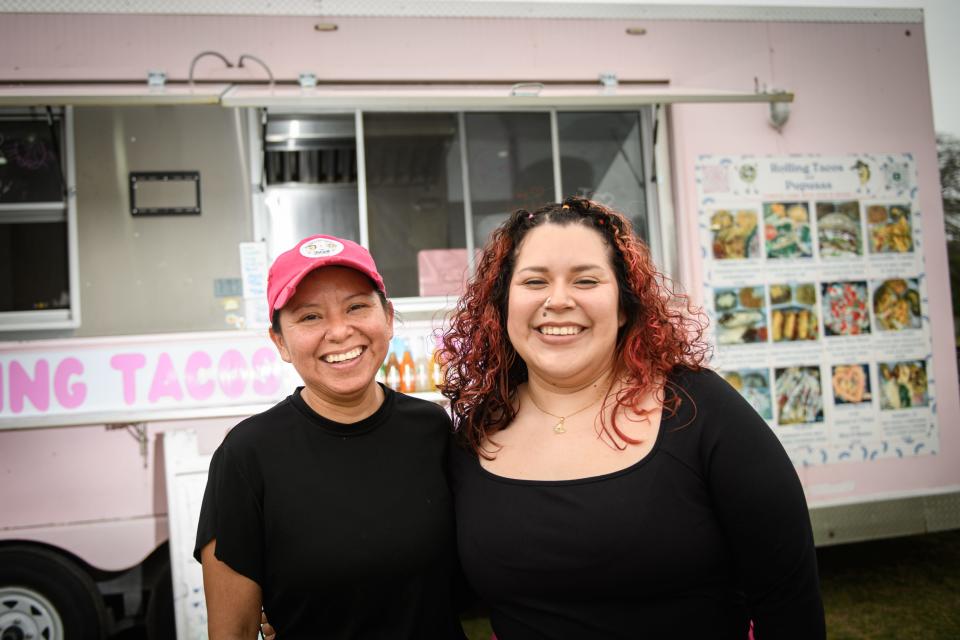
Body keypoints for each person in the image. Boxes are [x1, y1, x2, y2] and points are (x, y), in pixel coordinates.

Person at [440, 197, 826, 639]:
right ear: (502, 304)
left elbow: (788, 599)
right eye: (534, 281)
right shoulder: (475, 432)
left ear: (625, 305)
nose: (558, 300)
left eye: (586, 280)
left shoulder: (698, 410)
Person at [194, 234, 465, 639]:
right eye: (310, 317)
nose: (339, 331)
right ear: (280, 342)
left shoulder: (433, 428)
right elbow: (232, 632)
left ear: (388, 318)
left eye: (356, 306)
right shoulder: (246, 456)